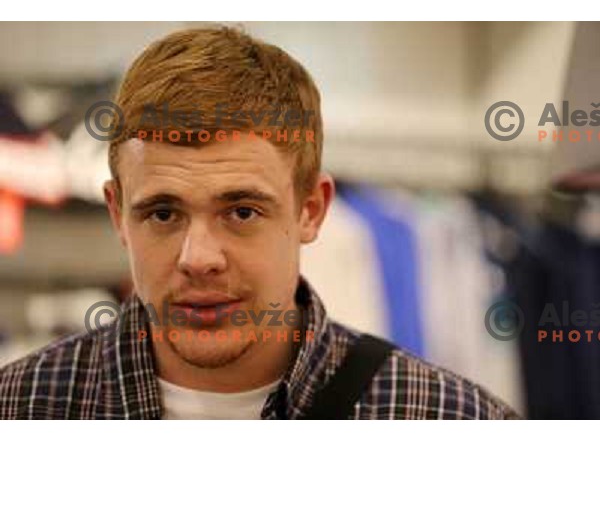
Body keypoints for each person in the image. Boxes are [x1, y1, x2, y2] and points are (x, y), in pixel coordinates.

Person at [0, 26, 518, 419]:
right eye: (162, 213)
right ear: (118, 213)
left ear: (310, 209)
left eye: (242, 211)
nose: (198, 258)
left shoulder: (442, 418)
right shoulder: (24, 407)